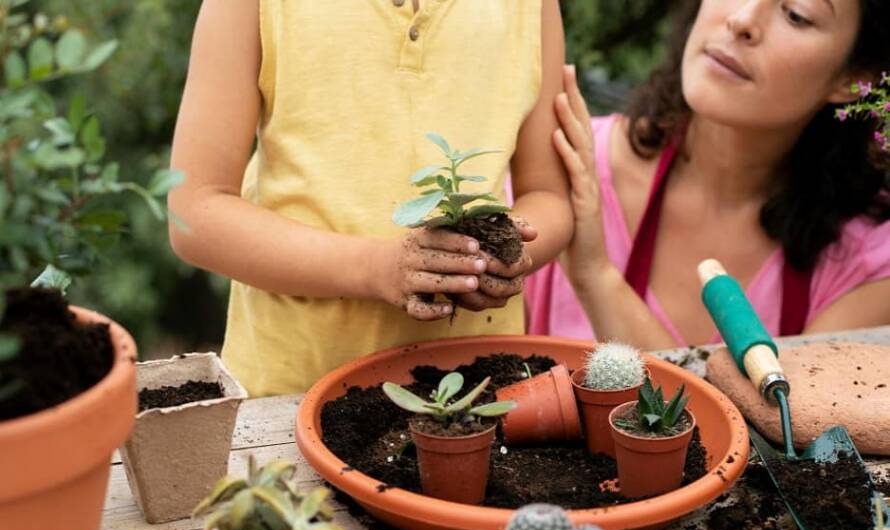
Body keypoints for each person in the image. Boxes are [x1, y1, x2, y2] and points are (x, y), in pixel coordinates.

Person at [169, 0, 573, 395]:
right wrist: (377, 269)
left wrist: (499, 258)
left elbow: (547, 197)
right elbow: (196, 210)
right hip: (288, 397)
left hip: (480, 392)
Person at [527, 0, 890, 349]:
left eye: (797, 15)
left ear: (855, 78)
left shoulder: (871, 260)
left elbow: (789, 414)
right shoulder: (553, 176)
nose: (742, 19)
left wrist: (595, 277)